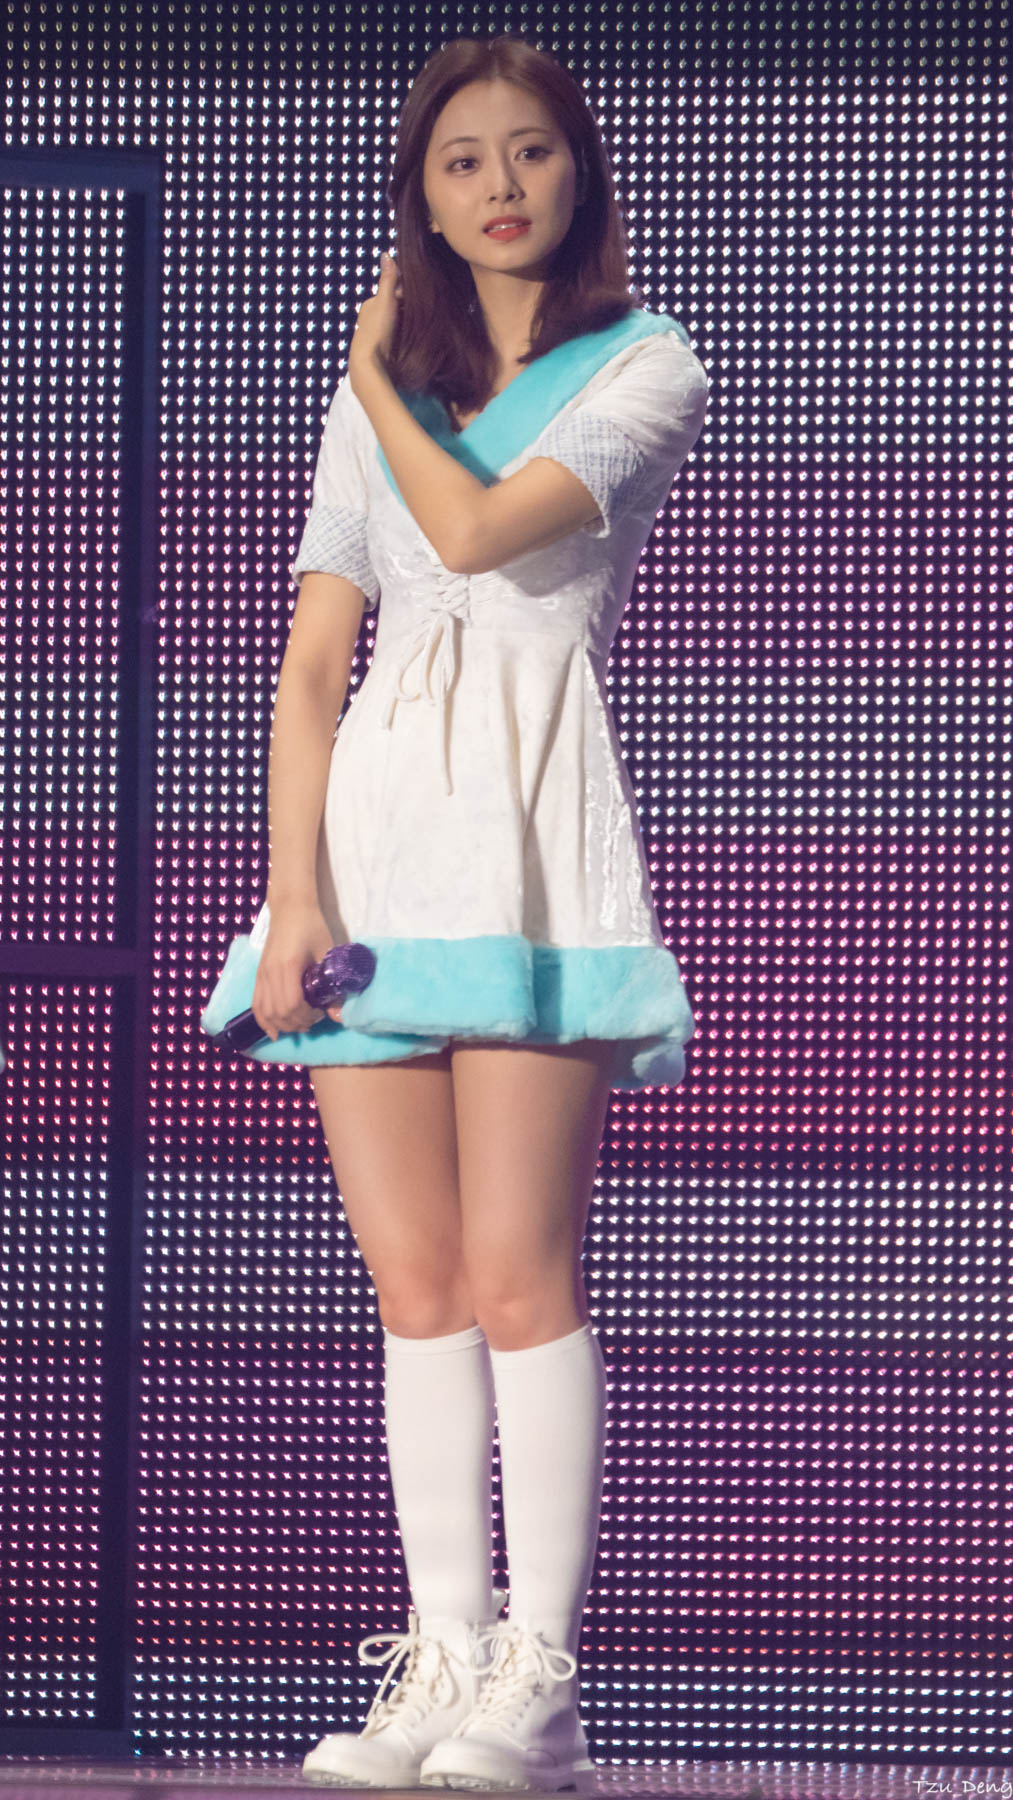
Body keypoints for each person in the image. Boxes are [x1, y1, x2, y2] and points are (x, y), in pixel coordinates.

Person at [200, 31, 708, 1794]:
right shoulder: (377, 400)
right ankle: (439, 1662)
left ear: (580, 171)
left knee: (515, 1273)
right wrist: (291, 896)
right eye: (462, 160)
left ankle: (537, 1687)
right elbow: (312, 661)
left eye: (531, 151)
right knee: (413, 1286)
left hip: (526, 835)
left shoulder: (645, 363)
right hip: (373, 846)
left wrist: (370, 375)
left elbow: (485, 535)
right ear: (421, 195)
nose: (500, 185)